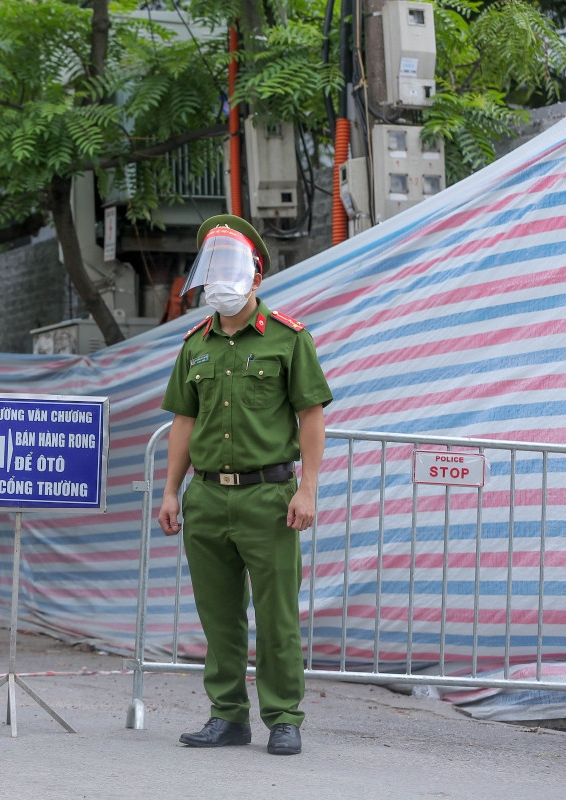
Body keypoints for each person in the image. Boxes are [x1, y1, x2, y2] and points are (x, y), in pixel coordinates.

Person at [157, 214, 332, 756]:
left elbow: (311, 417)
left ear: (257, 277)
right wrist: (170, 491)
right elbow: (184, 422)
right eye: (210, 270)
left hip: (268, 496)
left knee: (277, 616)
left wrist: (308, 488)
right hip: (207, 497)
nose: (218, 283)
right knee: (218, 615)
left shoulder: (288, 338)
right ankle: (227, 716)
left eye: (229, 270)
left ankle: (284, 717)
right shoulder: (196, 344)